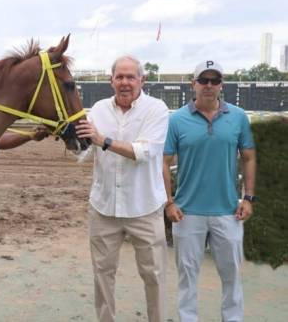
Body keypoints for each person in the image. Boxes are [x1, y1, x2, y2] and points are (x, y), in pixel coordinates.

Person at [75, 56, 170, 322]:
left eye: (131, 77)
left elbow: (144, 151)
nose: (125, 82)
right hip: (103, 207)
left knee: (155, 276)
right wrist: (71, 139)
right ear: (111, 80)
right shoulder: (98, 109)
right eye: (120, 77)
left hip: (145, 208)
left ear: (142, 80)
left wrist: (102, 140)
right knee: (102, 275)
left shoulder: (157, 109)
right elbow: (84, 152)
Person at [163, 61, 256, 322]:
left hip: (228, 212)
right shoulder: (177, 120)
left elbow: (248, 157)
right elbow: (164, 162)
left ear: (221, 85)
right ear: (193, 84)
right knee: (187, 278)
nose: (209, 85)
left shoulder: (238, 117)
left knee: (232, 277)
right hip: (187, 212)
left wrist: (248, 198)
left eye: (215, 81)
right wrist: (169, 202)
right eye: (203, 80)